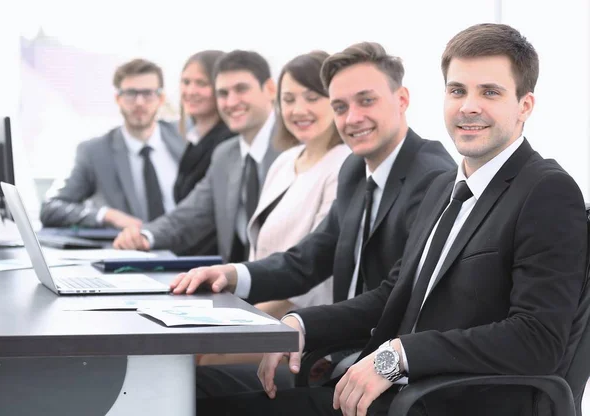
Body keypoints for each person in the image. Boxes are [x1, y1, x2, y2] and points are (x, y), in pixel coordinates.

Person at [196, 23, 588, 416]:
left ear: (525, 105)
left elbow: (538, 338)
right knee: (192, 390)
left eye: (490, 92)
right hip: (387, 394)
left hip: (443, 402)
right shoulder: (443, 187)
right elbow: (392, 295)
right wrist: (299, 325)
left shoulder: (546, 191)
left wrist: (400, 355)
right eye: (457, 90)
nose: (469, 106)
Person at [173, 42, 456, 396]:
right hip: (335, 355)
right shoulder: (356, 169)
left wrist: (298, 323)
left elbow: (396, 294)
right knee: (182, 384)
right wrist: (231, 275)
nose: (352, 118)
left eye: (366, 101)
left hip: (386, 374)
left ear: (401, 100)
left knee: (192, 390)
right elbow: (311, 257)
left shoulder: (432, 176)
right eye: (340, 106)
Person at [198, 51, 351, 368]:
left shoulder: (344, 165)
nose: (298, 110)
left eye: (312, 97)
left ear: (335, 101)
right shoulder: (284, 161)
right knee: (187, 351)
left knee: (200, 360)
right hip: (260, 312)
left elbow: (316, 275)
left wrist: (243, 321)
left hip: (303, 328)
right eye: (289, 99)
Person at [113, 50, 281, 259]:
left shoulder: (293, 145)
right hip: (238, 283)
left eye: (241, 89)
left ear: (270, 89)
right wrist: (145, 236)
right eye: (223, 93)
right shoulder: (225, 155)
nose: (230, 102)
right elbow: (192, 213)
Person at [40, 58, 186, 229]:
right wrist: (106, 215)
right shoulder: (95, 152)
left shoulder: (185, 137)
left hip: (188, 249)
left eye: (148, 94)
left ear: (161, 98)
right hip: (132, 251)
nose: (139, 102)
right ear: (118, 99)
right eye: (131, 94)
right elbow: (51, 207)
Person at [173, 50, 236, 203]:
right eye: (186, 82)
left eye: (201, 83)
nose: (191, 91)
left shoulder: (228, 143)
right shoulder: (194, 139)